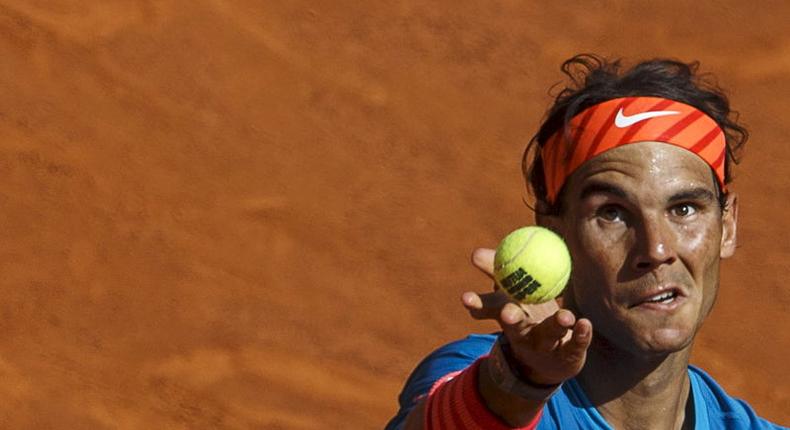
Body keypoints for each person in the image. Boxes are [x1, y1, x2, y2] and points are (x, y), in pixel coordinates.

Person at [386, 54, 786, 429]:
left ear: (727, 224)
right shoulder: (481, 376)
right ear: (555, 231)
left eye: (683, 209)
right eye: (612, 213)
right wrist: (522, 382)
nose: (656, 251)